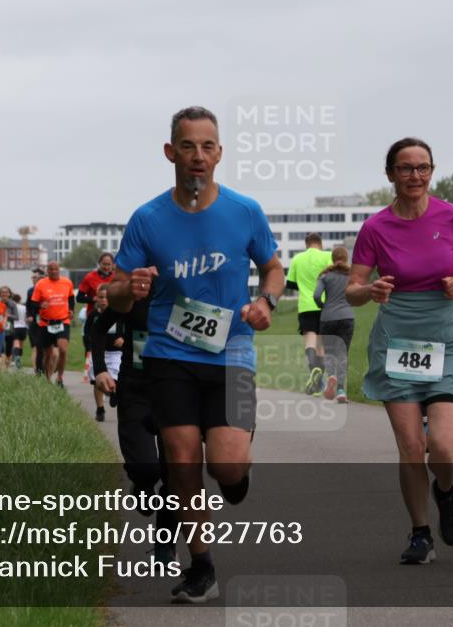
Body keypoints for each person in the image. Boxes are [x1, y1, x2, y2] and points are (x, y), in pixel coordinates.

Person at [107, 106, 284, 603]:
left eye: (207, 146)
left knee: (227, 468)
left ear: (219, 154)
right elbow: (116, 295)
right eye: (188, 146)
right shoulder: (147, 219)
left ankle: (237, 466)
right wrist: (131, 289)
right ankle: (201, 565)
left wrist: (266, 301)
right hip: (169, 355)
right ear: (171, 153)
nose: (198, 156)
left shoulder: (244, 211)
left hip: (232, 352)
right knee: (182, 463)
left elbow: (273, 268)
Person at [346, 137, 453, 565]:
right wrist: (371, 290)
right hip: (397, 339)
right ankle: (421, 533)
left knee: (440, 443)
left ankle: (445, 491)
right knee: (409, 445)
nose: (415, 176)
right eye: (405, 168)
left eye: (422, 167)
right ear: (390, 175)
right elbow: (352, 291)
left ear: (432, 171)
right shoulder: (375, 228)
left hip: (446, 335)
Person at [92, 293, 179, 563]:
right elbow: (98, 328)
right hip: (136, 390)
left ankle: (165, 547)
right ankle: (141, 483)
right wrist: (101, 370)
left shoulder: (187, 291)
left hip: (176, 391)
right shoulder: (134, 294)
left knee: (175, 474)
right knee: (146, 468)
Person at [286, 233, 333, 395]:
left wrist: (305, 285)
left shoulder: (298, 259)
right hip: (326, 306)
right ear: (321, 243)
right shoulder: (329, 256)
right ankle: (319, 384)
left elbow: (291, 284)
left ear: (306, 244)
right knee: (322, 348)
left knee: (310, 344)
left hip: (306, 306)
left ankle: (315, 377)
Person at [313, 245, 355, 403]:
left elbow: (317, 295)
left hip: (328, 317)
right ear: (346, 258)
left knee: (329, 352)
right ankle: (341, 391)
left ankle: (331, 376)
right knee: (342, 354)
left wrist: (322, 306)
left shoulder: (325, 276)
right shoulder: (351, 275)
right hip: (346, 317)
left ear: (332, 258)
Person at [31, 261, 76, 387]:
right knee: (48, 353)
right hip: (46, 323)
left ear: (59, 270)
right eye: (51, 269)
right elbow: (33, 303)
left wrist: (71, 310)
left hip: (63, 321)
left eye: (56, 269)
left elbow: (71, 298)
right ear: (47, 271)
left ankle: (60, 378)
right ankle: (47, 379)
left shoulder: (67, 282)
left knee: (63, 349)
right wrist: (41, 305)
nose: (54, 271)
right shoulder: (41, 284)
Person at [86, 285, 123, 422]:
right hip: (99, 352)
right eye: (101, 297)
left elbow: (125, 329)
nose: (104, 300)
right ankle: (100, 408)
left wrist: (123, 339)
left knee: (115, 377)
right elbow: (88, 332)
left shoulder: (119, 314)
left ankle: (113, 393)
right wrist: (88, 347)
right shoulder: (93, 316)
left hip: (115, 353)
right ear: (96, 298)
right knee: (98, 381)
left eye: (107, 297)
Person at [78, 252, 116, 372]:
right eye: (104, 264)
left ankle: (110, 371)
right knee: (93, 343)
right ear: (99, 264)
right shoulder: (90, 277)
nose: (106, 267)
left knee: (111, 345)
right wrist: (93, 299)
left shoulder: (115, 278)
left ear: (112, 265)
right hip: (94, 315)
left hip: (112, 315)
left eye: (108, 264)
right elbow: (79, 297)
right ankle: (93, 371)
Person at [26, 268, 47, 375]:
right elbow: (28, 306)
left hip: (47, 321)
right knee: (35, 347)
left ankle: (46, 367)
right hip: (35, 321)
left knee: (45, 349)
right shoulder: (30, 291)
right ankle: (36, 370)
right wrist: (29, 316)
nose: (33, 279)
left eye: (36, 277)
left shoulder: (48, 289)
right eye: (33, 277)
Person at [0, 285, 19, 367]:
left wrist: (8, 315)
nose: (4, 294)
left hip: (9, 330)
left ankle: (7, 363)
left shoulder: (12, 304)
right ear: (0, 294)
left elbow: (16, 317)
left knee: (8, 349)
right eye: (2, 292)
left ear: (9, 294)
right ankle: (1, 365)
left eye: (6, 292)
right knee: (0, 348)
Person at [11, 293, 28, 370]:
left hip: (16, 326)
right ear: (19, 300)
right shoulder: (24, 307)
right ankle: (19, 359)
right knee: (21, 344)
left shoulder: (13, 307)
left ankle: (16, 358)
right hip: (24, 327)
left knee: (16, 343)